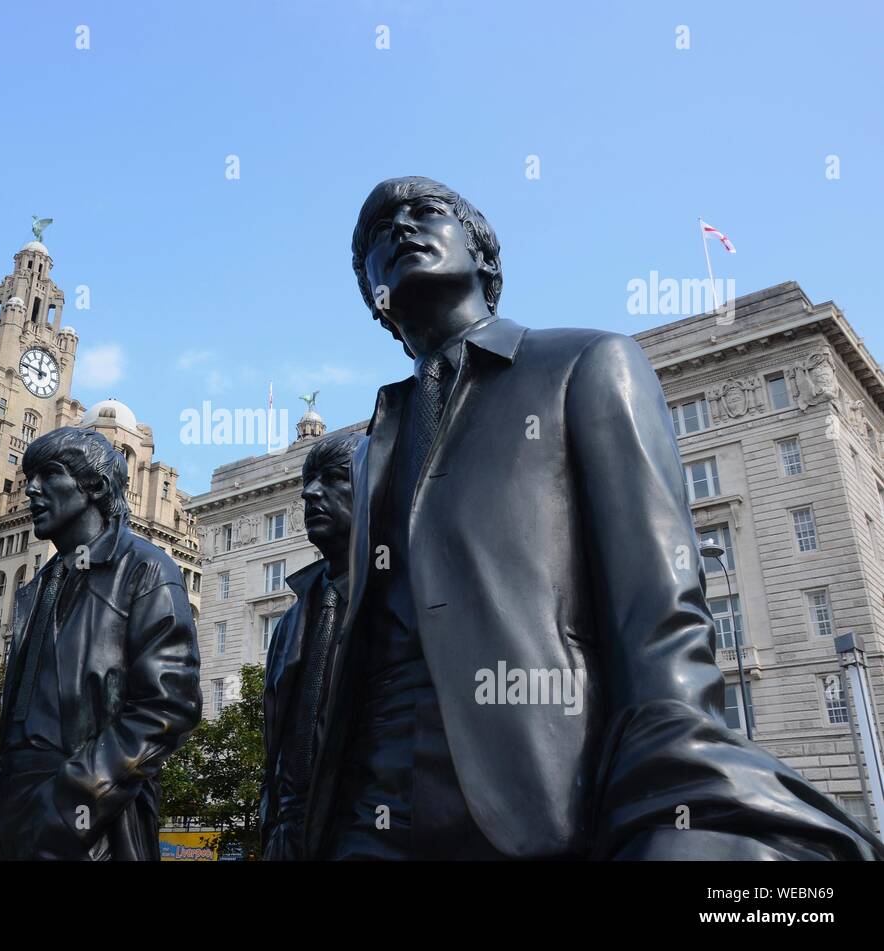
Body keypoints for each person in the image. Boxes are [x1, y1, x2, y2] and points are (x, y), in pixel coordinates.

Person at [307, 175, 883, 860]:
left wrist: (674, 804)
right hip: (366, 820)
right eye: (376, 236)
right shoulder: (367, 452)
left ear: (483, 255)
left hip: (534, 806)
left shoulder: (585, 364)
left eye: (425, 212)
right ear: (374, 303)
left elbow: (659, 615)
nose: (399, 230)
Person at [0, 427, 202, 860]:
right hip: (11, 807)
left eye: (49, 475)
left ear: (95, 486)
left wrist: (75, 798)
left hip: (89, 815)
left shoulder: (146, 569)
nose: (32, 489)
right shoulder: (41, 583)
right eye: (29, 477)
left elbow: (168, 707)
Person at [261, 430, 364, 860]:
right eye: (307, 481)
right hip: (287, 834)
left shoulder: (405, 597)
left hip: (363, 830)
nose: (310, 492)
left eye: (333, 478)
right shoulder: (290, 621)